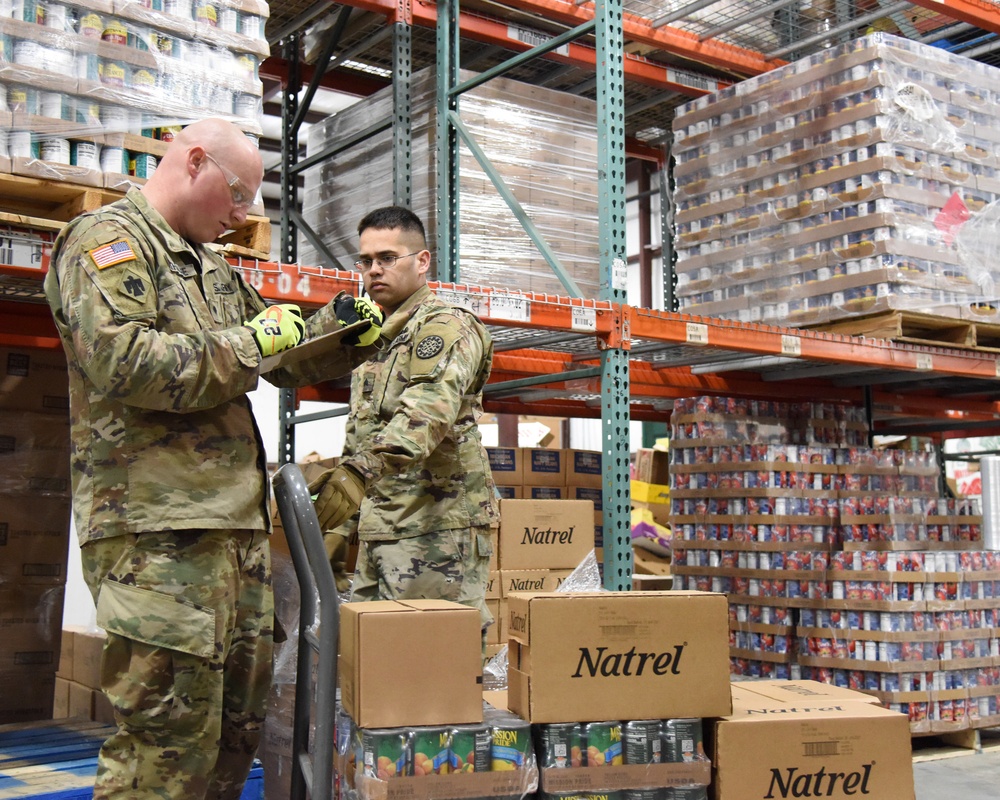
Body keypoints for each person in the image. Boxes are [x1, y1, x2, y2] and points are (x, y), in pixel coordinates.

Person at [43, 117, 380, 800]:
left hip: (234, 536)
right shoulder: (107, 243)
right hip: (158, 538)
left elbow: (274, 349)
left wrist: (342, 333)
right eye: (235, 196)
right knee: (164, 752)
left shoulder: (209, 264)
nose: (240, 216)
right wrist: (252, 342)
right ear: (194, 161)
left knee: (232, 739)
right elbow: (125, 363)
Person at [310, 206, 499, 638]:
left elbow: (425, 413)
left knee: (430, 669)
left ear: (422, 261)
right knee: (375, 667)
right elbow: (367, 434)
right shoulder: (374, 338)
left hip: (435, 527)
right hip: (384, 526)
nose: (374, 270)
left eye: (388, 258)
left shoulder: (446, 327)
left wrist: (357, 475)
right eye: (366, 261)